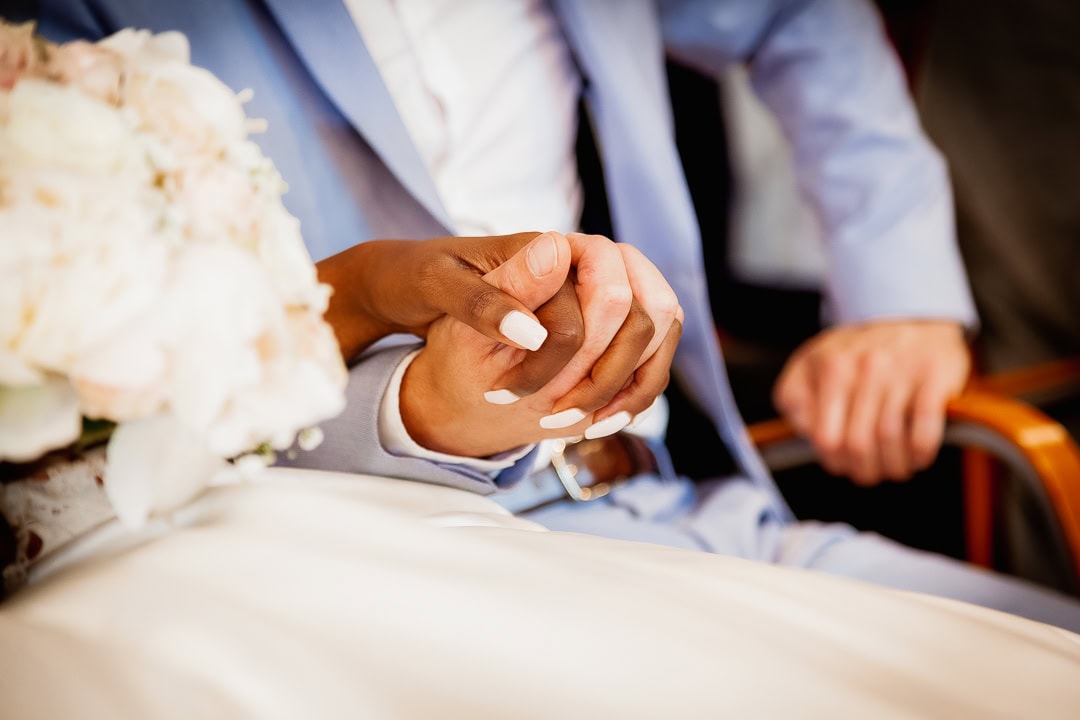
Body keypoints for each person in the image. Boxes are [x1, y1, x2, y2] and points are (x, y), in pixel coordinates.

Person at [29, 0, 1080, 629]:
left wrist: (897, 286)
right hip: (330, 571)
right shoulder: (66, 45)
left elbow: (799, 14)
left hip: (680, 515)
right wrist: (415, 411)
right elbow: (89, 410)